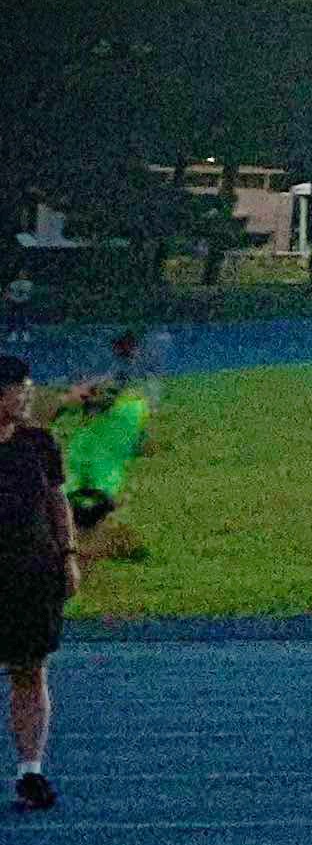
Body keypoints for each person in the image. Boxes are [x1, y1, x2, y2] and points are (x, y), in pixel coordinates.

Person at [3, 355, 75, 811]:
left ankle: (31, 770)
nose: (28, 396)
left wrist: (68, 556)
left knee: (30, 670)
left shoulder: (39, 443)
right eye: (19, 389)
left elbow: (57, 501)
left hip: (31, 573)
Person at [61, 331, 157, 562]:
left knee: (92, 491)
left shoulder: (124, 373)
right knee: (92, 490)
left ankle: (88, 543)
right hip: (104, 443)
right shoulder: (125, 372)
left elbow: (103, 398)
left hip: (107, 441)